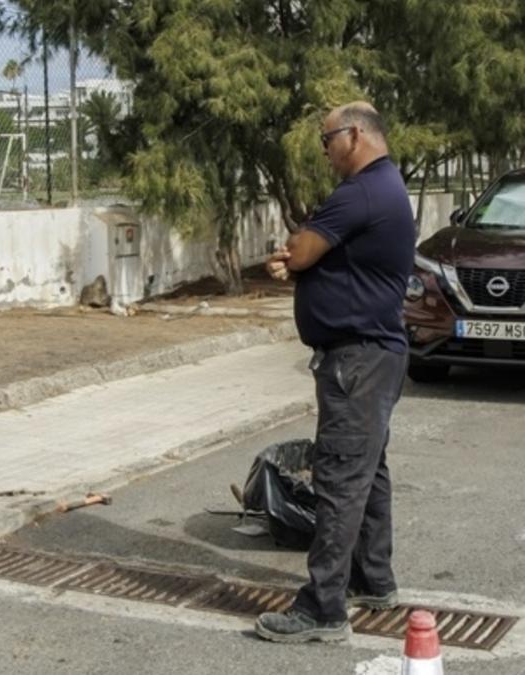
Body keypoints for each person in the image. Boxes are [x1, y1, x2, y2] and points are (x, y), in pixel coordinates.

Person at [256, 102, 414, 643]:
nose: (324, 152)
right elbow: (314, 257)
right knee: (368, 471)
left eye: (327, 141)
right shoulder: (385, 187)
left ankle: (321, 609)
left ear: (354, 135)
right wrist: (301, 261)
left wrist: (295, 260)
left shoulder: (363, 191)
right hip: (376, 356)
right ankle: (373, 578)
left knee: (341, 477)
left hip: (358, 360)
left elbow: (301, 250)